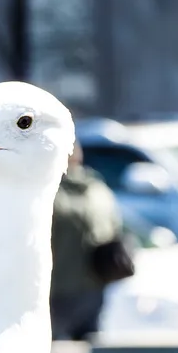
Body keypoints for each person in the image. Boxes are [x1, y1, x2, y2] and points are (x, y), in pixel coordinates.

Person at [49, 145, 129, 341]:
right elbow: (116, 229)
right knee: (87, 350)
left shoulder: (49, 194)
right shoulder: (98, 189)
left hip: (58, 289)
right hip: (93, 287)